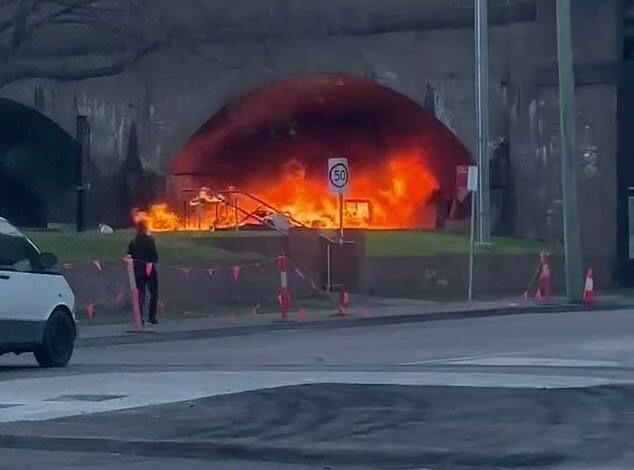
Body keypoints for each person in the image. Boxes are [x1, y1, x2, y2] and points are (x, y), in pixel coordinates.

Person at [127, 220, 159, 325]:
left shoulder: (133, 242)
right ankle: (152, 317)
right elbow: (155, 256)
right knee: (154, 293)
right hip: (150, 270)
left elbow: (129, 256)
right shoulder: (150, 240)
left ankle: (140, 318)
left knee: (141, 294)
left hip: (138, 271)